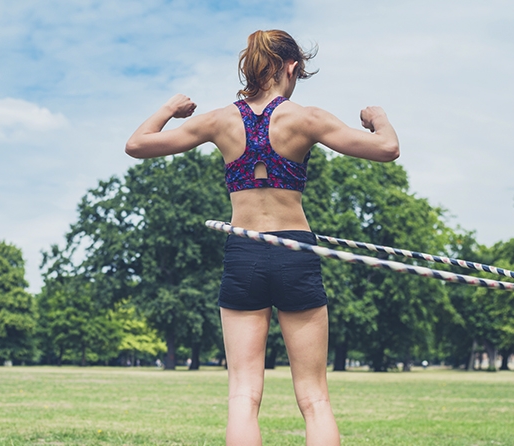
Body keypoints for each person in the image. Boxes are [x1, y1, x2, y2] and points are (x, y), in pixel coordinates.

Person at [126, 29, 399, 446]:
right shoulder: (307, 118)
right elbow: (388, 148)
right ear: (290, 66)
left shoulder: (220, 120)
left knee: (243, 394)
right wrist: (377, 116)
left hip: (244, 252)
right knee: (314, 399)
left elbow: (137, 144)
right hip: (295, 253)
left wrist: (170, 107)